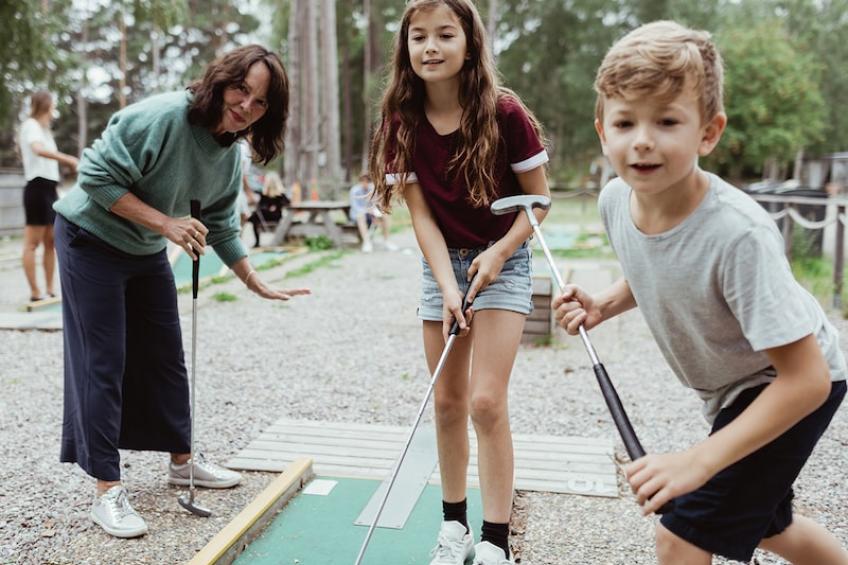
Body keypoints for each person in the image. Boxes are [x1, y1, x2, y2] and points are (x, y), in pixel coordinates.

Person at [553, 21, 848, 565]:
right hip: (736, 389)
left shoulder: (738, 234)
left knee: (681, 533)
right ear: (602, 130)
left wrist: (699, 460)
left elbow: (805, 380)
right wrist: (604, 304)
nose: (642, 139)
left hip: (790, 383)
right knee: (767, 528)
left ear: (708, 133)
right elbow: (661, 267)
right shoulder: (617, 200)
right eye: (625, 121)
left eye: (667, 120)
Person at [53, 44, 310, 539]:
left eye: (260, 104)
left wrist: (255, 281)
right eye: (242, 89)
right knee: (103, 359)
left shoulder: (230, 154)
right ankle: (107, 490)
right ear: (222, 79)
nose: (245, 107)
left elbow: (219, 222)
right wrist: (165, 224)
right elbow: (94, 178)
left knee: (167, 357)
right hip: (90, 238)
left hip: (145, 244)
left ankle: (183, 461)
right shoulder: (161, 117)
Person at [370, 2, 550, 563]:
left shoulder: (504, 112)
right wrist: (447, 285)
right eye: (418, 36)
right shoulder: (401, 118)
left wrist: (498, 252)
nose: (431, 46)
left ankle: (496, 542)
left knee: (486, 401)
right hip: (443, 262)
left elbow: (539, 201)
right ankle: (455, 530)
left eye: (445, 35)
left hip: (504, 257)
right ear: (405, 48)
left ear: (469, 44)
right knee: (447, 404)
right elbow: (420, 214)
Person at [18, 90, 79, 302]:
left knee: (51, 241)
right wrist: (68, 159)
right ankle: (35, 292)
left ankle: (50, 289)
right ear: (46, 105)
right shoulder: (31, 125)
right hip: (36, 187)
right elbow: (37, 149)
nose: (55, 109)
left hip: (51, 188)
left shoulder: (45, 130)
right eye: (53, 104)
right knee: (32, 242)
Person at [349, 173, 395, 252]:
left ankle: (387, 241)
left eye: (367, 181)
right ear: (360, 181)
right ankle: (367, 243)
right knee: (361, 216)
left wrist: (374, 210)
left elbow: (376, 204)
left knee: (384, 216)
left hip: (370, 214)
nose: (365, 183)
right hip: (357, 215)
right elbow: (355, 207)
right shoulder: (355, 190)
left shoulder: (372, 189)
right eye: (363, 181)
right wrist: (367, 211)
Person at [248, 170, 290, 247]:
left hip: (267, 218)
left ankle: (257, 242)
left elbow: (260, 206)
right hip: (273, 217)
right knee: (256, 215)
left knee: (254, 217)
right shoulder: (280, 194)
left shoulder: (265, 194)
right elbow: (288, 203)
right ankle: (258, 242)